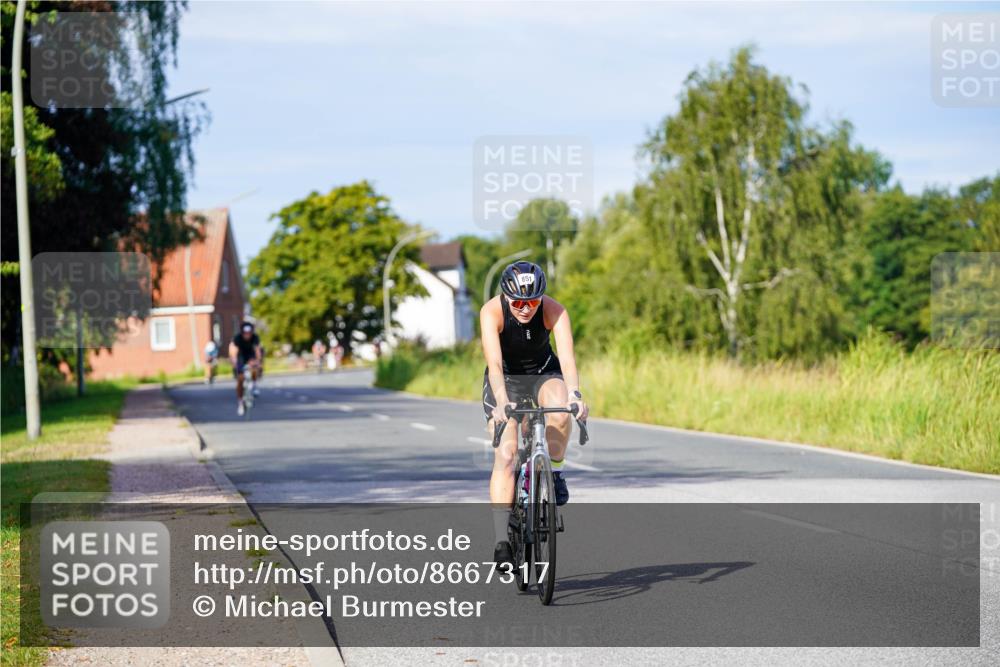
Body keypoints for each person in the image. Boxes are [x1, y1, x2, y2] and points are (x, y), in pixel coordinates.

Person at [480, 261, 588, 566]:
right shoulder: (492, 312)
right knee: (507, 452)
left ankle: (554, 471)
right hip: (507, 380)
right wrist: (501, 401)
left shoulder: (555, 310)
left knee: (561, 412)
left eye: (533, 301)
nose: (526, 308)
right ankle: (502, 540)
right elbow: (495, 365)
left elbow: (566, 358)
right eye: (518, 302)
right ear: (506, 297)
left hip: (544, 372)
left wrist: (575, 394)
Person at [229, 322, 262, 416]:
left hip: (251, 356)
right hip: (241, 357)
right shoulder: (238, 338)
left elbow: (257, 350)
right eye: (245, 333)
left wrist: (258, 361)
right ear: (242, 333)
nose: (247, 335)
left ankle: (254, 385)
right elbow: (233, 350)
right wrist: (234, 361)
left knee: (254, 368)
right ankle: (240, 403)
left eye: (249, 333)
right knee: (240, 379)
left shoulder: (255, 337)